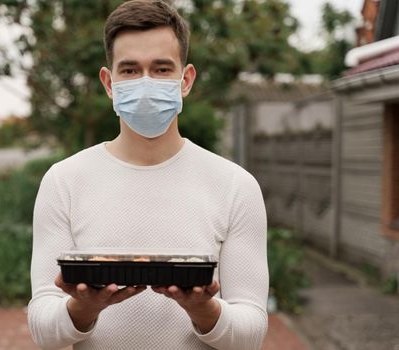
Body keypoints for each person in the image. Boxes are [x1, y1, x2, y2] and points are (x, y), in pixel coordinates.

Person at [28, 1, 268, 349]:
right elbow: (42, 329)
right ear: (109, 83)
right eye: (129, 70)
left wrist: (206, 312)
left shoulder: (235, 186)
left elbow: (251, 332)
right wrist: (81, 309)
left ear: (185, 80)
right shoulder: (63, 181)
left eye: (160, 69)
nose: (145, 83)